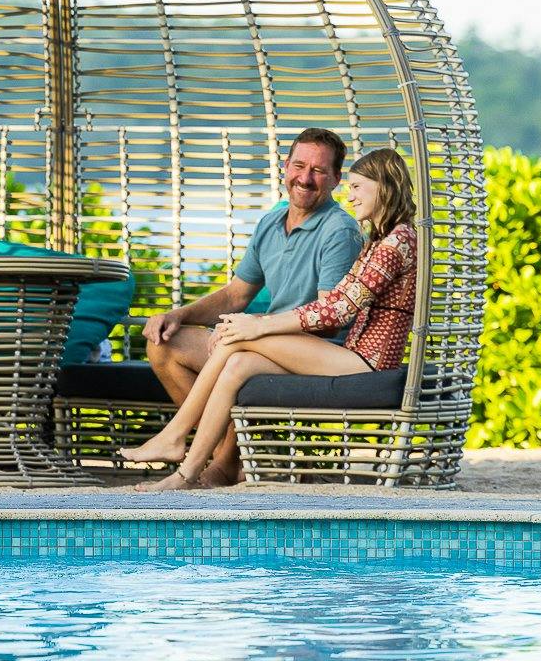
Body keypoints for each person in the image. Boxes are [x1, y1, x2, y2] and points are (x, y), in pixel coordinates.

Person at [142, 147, 420, 490]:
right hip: (353, 355)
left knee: (240, 337)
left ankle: (176, 433)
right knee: (238, 363)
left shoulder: (399, 240)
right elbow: (333, 299)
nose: (351, 195)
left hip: (367, 362)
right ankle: (187, 472)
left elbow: (339, 308)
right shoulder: (379, 240)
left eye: (358, 186)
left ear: (384, 186)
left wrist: (257, 324)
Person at [119, 127, 363, 477]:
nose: (305, 179)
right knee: (164, 344)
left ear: (337, 179)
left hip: (312, 350)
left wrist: (256, 328)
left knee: (236, 349)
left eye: (319, 171)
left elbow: (329, 318)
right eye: (299, 166)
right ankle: (225, 458)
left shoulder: (339, 231)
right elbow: (237, 294)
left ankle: (217, 462)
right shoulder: (270, 223)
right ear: (285, 167)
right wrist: (179, 314)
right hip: (259, 339)